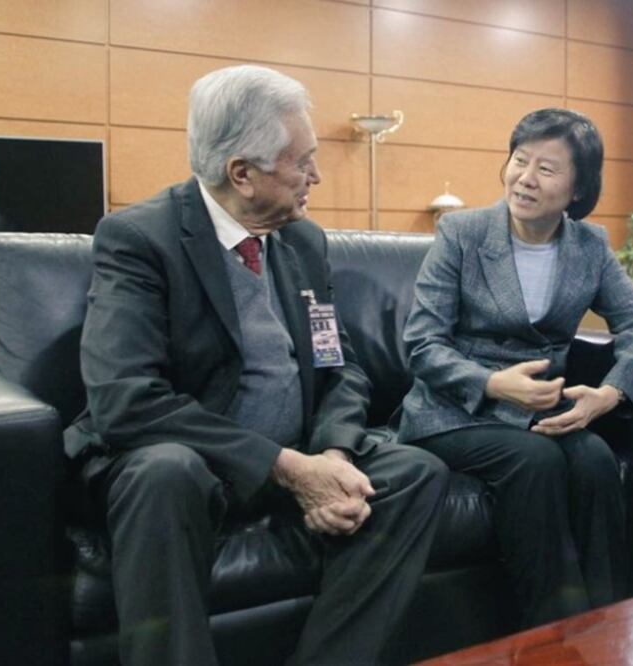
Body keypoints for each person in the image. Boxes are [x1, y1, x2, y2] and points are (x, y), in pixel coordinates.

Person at [63, 65, 448, 666]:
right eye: (302, 162)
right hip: (197, 466)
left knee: (414, 472)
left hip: (295, 455)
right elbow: (124, 399)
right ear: (242, 173)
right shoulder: (141, 239)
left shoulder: (302, 241)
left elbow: (338, 364)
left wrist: (333, 457)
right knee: (165, 473)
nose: (316, 176)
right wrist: (285, 468)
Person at [398, 108, 633, 626]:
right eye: (520, 161)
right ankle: (552, 634)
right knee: (536, 462)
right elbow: (422, 344)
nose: (525, 178)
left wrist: (610, 394)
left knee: (593, 461)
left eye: (547, 169)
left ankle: (609, 625)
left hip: (538, 411)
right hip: (452, 410)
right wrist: (494, 383)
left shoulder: (589, 246)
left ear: (578, 187)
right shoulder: (461, 232)